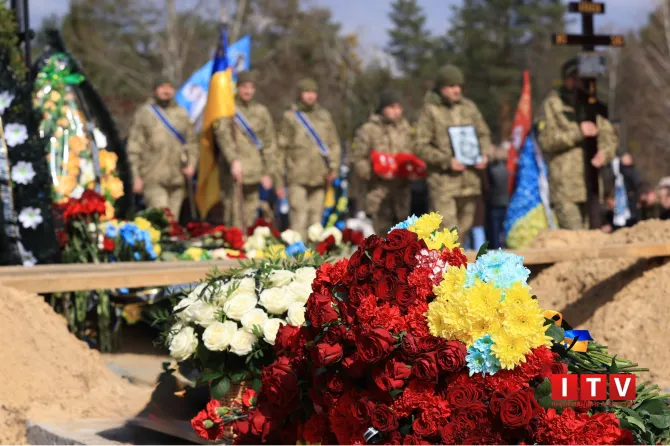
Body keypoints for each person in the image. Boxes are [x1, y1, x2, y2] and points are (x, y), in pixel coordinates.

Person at [537, 58, 618, 230]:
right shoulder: (553, 104)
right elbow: (545, 141)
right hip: (565, 188)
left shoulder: (592, 103)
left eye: (580, 78)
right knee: (575, 238)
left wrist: (604, 153)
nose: (577, 83)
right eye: (573, 78)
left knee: (594, 238)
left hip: (592, 186)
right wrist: (577, 133)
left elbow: (609, 136)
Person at [412, 64, 491, 237]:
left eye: (459, 86)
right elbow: (419, 145)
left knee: (464, 230)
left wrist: (484, 154)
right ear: (441, 88)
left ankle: (457, 255)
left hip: (469, 181)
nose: (457, 90)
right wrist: (446, 161)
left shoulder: (469, 107)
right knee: (446, 233)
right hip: (443, 184)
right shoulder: (430, 111)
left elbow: (483, 133)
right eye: (452, 86)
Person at [213, 70, 279, 229]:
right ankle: (235, 242)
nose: (247, 91)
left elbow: (269, 143)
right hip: (234, 172)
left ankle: (247, 242)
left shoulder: (261, 111)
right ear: (237, 87)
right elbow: (223, 136)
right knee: (234, 217)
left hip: (255, 173)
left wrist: (268, 172)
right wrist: (233, 160)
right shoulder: (228, 109)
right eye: (244, 87)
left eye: (251, 87)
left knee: (251, 218)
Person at [276, 78, 341, 239]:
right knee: (299, 216)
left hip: (320, 176)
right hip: (296, 176)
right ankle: (298, 252)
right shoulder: (290, 117)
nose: (310, 96)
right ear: (300, 94)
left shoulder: (324, 116)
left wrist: (334, 168)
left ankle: (314, 253)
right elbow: (281, 149)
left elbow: (333, 144)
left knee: (316, 221)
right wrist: (278, 180)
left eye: (313, 92)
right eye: (306, 92)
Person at [127, 77, 197, 217]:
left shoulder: (182, 113)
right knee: (161, 218)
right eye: (162, 87)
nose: (166, 91)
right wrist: (135, 176)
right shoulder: (145, 113)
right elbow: (134, 147)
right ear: (155, 90)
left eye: (170, 87)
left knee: (173, 222)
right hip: (152, 176)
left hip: (177, 177)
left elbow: (192, 142)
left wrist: (192, 164)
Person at [351, 89, 413, 234]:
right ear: (383, 108)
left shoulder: (406, 129)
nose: (396, 111)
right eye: (392, 107)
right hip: (377, 191)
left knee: (403, 234)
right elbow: (358, 159)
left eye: (399, 107)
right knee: (380, 234)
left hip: (401, 191)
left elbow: (415, 153)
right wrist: (374, 172)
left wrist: (413, 170)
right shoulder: (368, 130)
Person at [486, 142, 510, 249]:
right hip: (505, 201)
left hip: (495, 203)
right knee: (503, 227)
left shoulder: (492, 170)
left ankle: (496, 247)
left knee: (495, 229)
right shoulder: (507, 170)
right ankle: (503, 245)